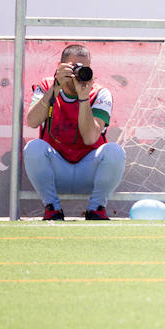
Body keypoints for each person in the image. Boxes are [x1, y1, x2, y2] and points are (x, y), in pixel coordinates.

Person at [23, 44, 125, 220]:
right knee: (33, 148)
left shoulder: (100, 93)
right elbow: (32, 121)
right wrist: (55, 88)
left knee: (115, 151)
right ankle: (52, 208)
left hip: (89, 170)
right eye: (73, 67)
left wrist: (83, 97)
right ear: (60, 66)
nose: (78, 73)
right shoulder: (46, 86)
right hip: (56, 170)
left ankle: (96, 209)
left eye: (83, 68)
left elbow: (90, 138)